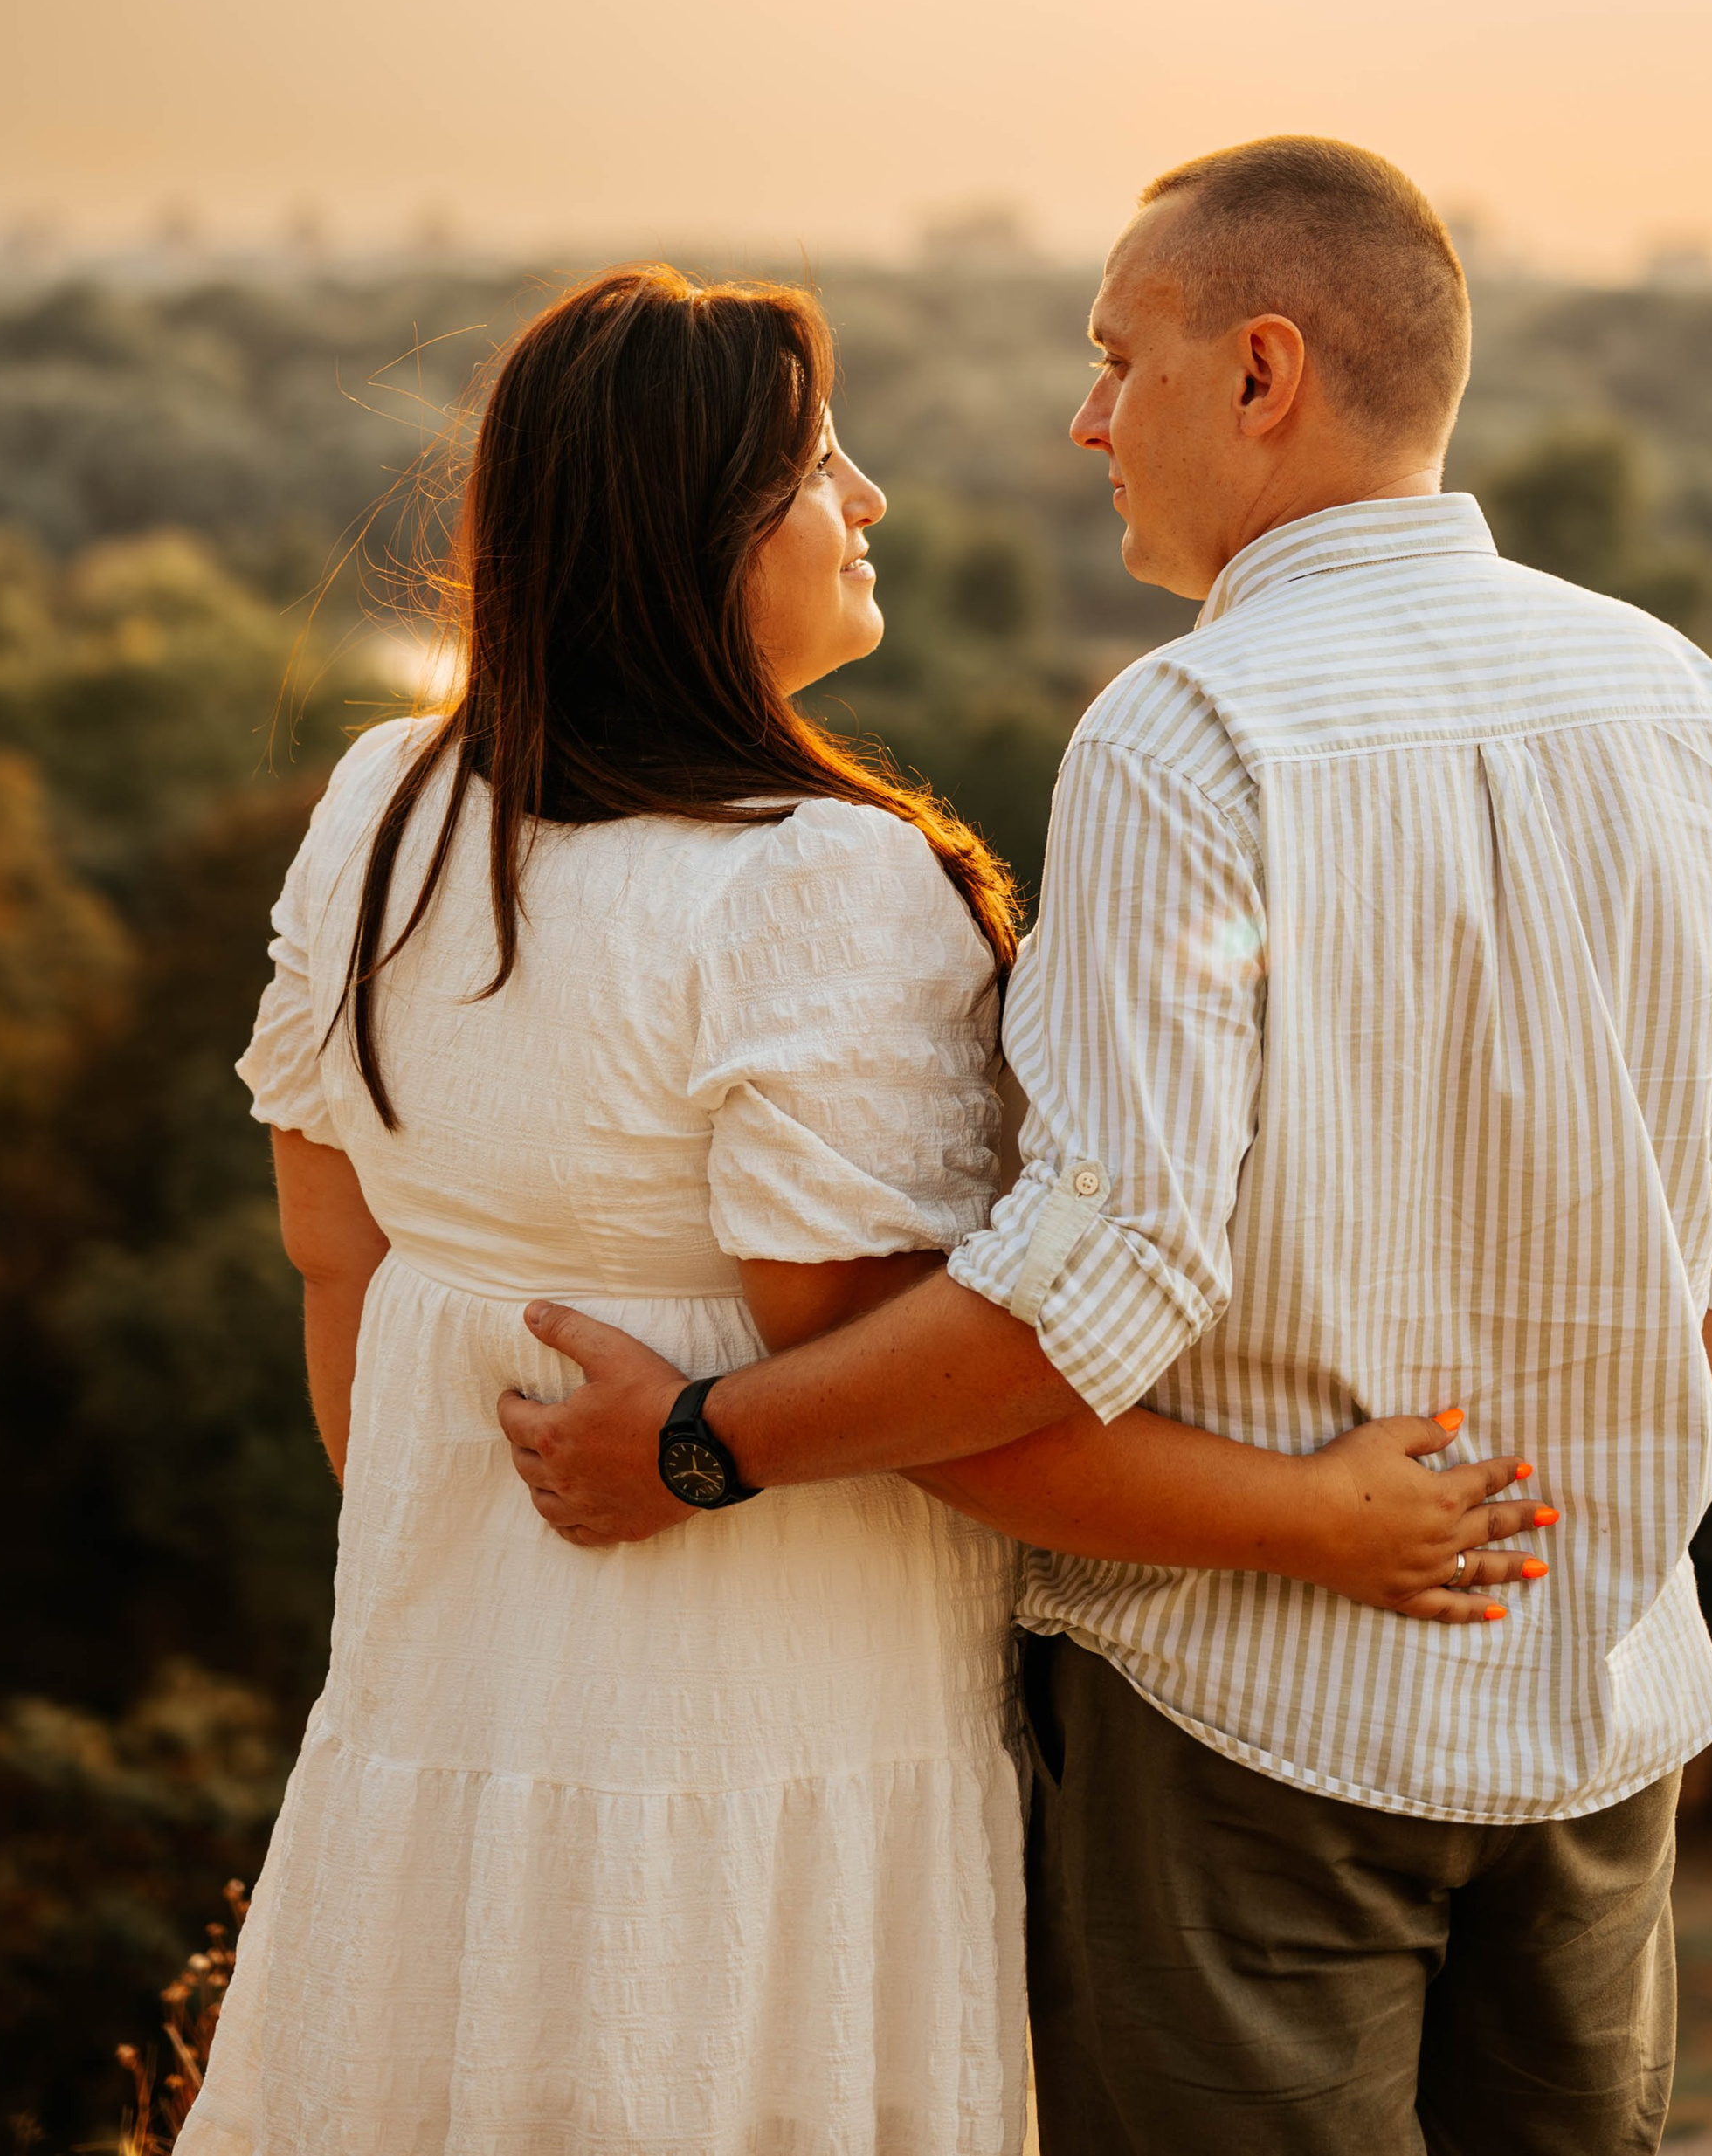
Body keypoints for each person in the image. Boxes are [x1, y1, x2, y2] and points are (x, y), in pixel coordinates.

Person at [506, 141, 1712, 2156]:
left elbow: (1090, 1291)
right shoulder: (1696, 712)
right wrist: (1585, 1523)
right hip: (1595, 1708)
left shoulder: (1187, 735)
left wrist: (703, 1438)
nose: (1085, 413)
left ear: (1261, 370)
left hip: (1241, 1751)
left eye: (1119, 357)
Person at [181, 260, 1545, 2156]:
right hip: (766, 1739)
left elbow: (336, 1261)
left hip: (438, 1724)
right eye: (823, 464)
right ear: (696, 537)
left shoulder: (389, 809)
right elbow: (917, 1397)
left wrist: (468, 1607)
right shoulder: (811, 880)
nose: (870, 501)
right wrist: (1314, 1517)